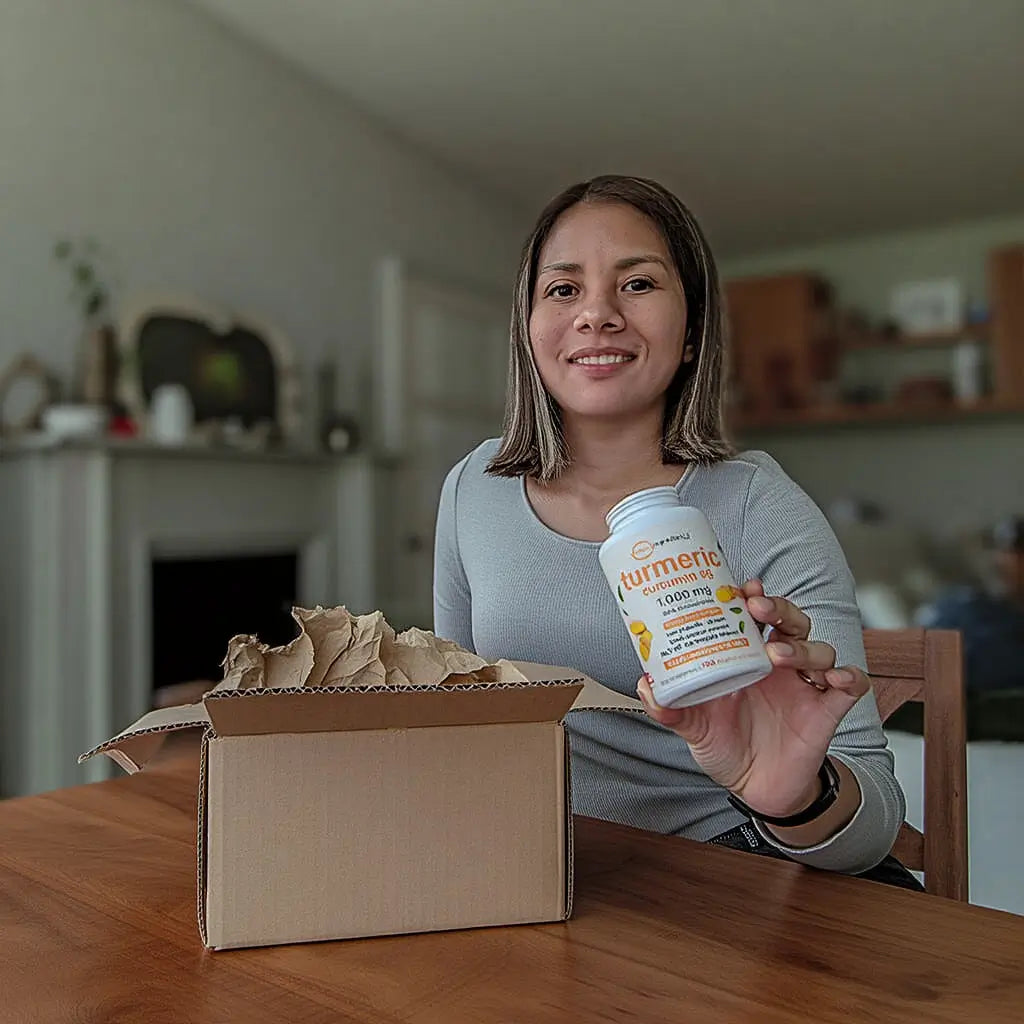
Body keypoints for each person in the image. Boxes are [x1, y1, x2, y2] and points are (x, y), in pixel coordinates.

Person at [433, 174, 912, 882]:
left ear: (691, 332)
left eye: (638, 284)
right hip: (540, 869)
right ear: (528, 330)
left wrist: (790, 796)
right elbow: (456, 713)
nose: (596, 314)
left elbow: (871, 829)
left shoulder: (757, 504)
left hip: (735, 867)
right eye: (562, 289)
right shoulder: (473, 487)